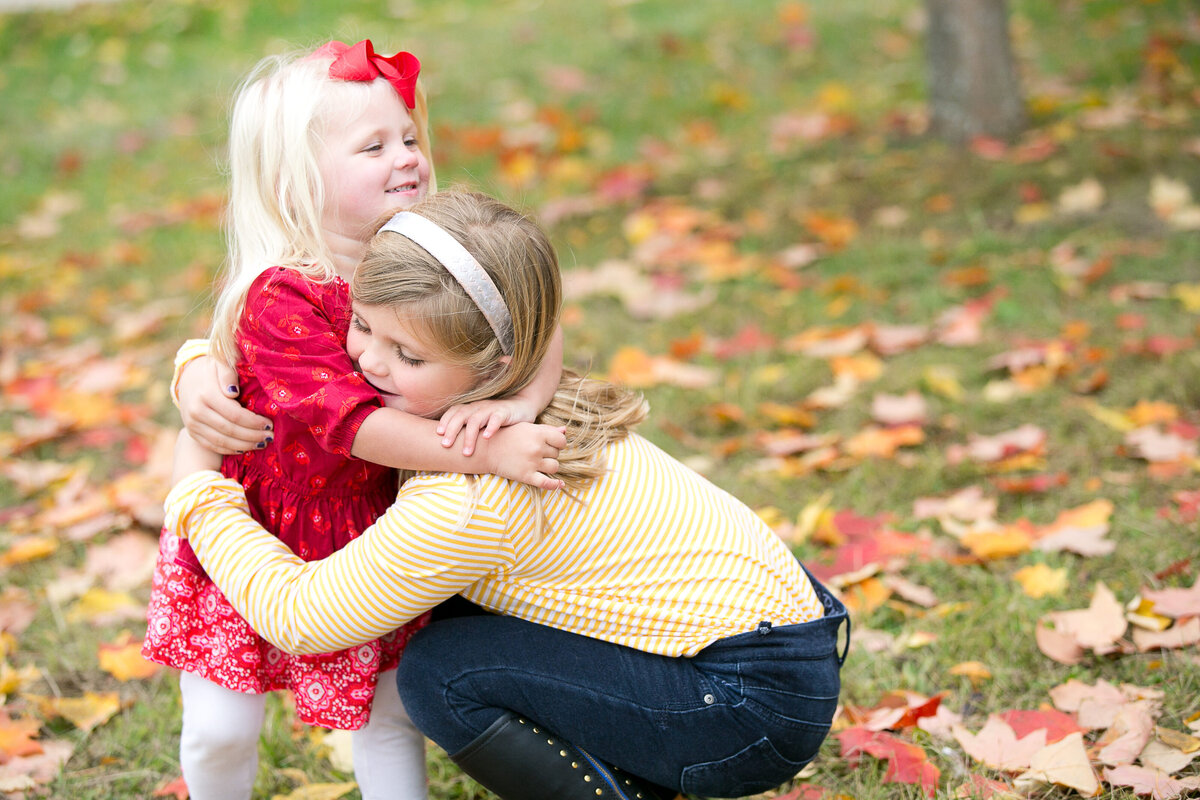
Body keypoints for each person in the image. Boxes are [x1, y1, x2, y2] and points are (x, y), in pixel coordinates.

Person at [165, 190, 850, 800]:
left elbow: (301, 618)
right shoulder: (512, 399)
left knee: (439, 672)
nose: (369, 362)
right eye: (364, 327)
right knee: (444, 613)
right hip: (774, 645)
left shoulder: (470, 492)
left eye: (410, 356)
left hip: (745, 707)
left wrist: (198, 491)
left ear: (493, 362)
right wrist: (198, 364)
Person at [142, 44, 565, 800]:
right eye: (373, 147)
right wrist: (485, 452)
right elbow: (353, 426)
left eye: (408, 137)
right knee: (221, 729)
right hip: (257, 531)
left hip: (374, 529)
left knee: (387, 717)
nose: (406, 158)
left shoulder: (431, 250)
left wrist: (523, 400)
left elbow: (538, 308)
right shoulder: (284, 295)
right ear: (293, 180)